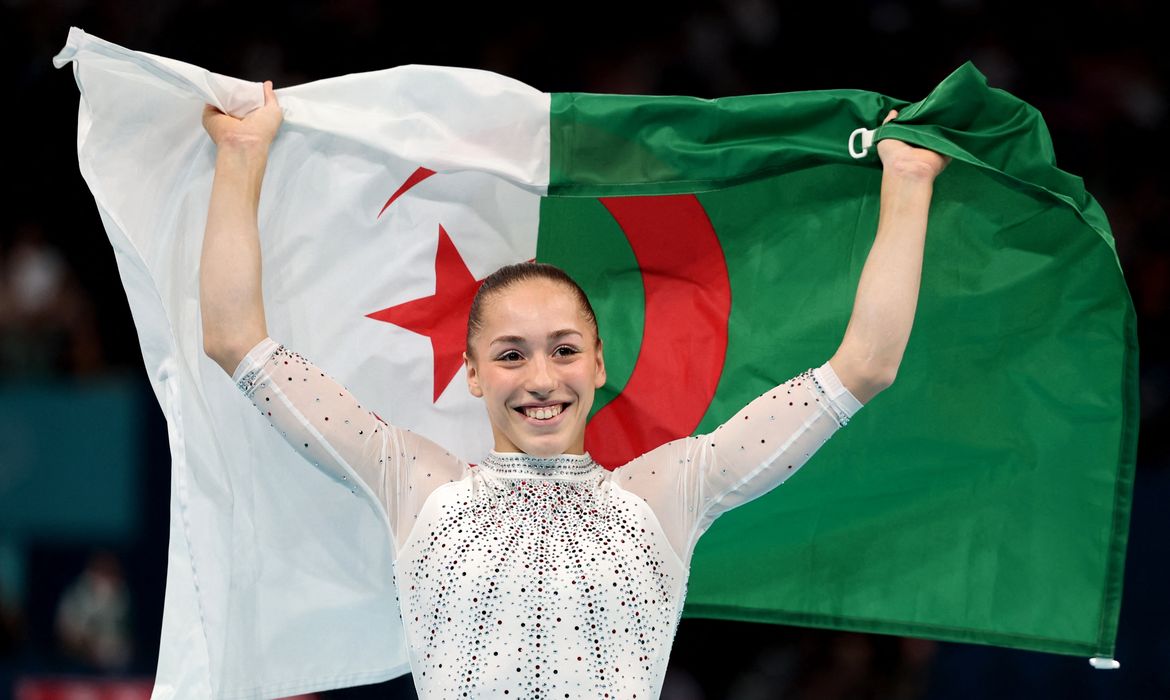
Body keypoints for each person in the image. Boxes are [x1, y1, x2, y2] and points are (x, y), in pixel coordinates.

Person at [200, 80, 948, 699]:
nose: (541, 379)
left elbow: (864, 367)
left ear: (598, 363)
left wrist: (908, 183)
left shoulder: (666, 493)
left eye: (563, 350)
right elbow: (238, 342)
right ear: (471, 371)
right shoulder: (415, 482)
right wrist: (241, 156)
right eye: (510, 355)